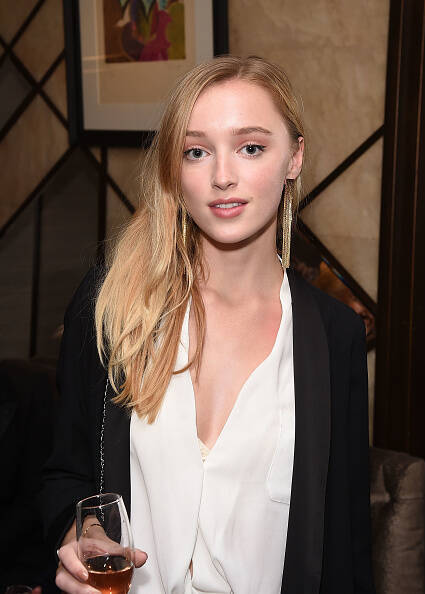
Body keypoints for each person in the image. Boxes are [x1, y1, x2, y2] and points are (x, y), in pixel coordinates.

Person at [40, 54, 376, 593]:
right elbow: (65, 475)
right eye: (196, 151)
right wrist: (84, 533)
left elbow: (346, 542)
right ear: (175, 170)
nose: (222, 177)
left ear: (294, 157)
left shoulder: (334, 336)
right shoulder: (113, 305)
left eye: (251, 148)